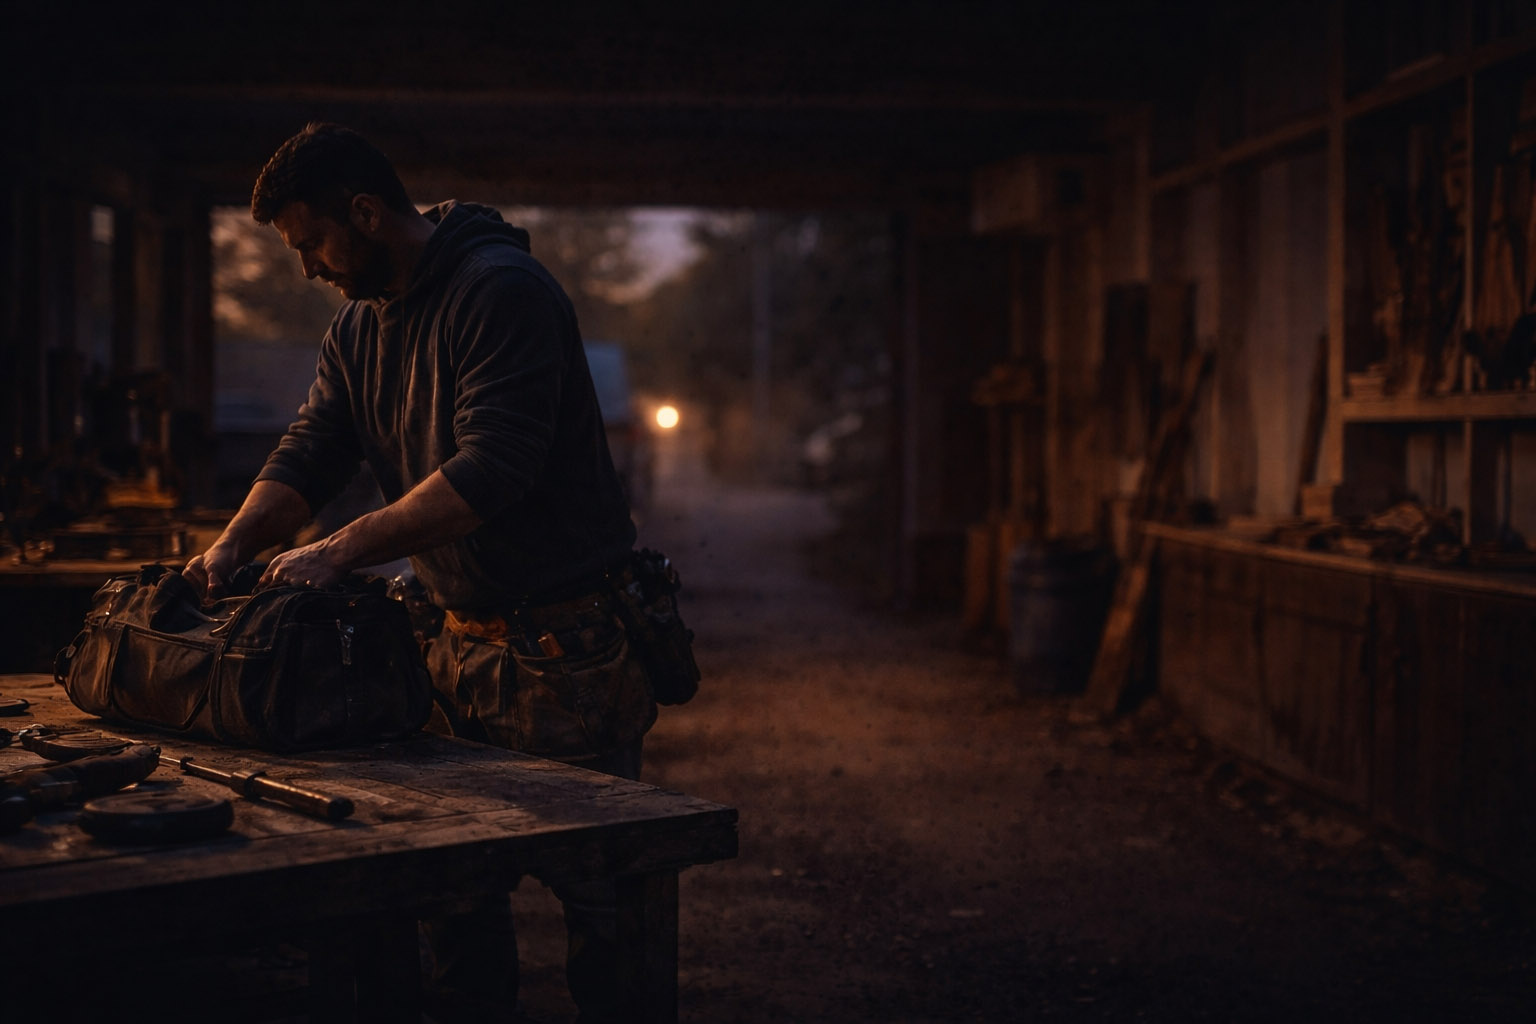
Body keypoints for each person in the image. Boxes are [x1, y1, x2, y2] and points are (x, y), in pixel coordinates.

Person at [184, 122, 660, 1023]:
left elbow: (496, 468)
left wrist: (336, 550)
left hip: (568, 651)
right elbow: (311, 452)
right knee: (452, 897)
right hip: (450, 645)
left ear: (364, 213)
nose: (307, 268)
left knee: (601, 897)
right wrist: (231, 546)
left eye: (311, 243)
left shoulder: (502, 292)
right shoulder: (358, 328)